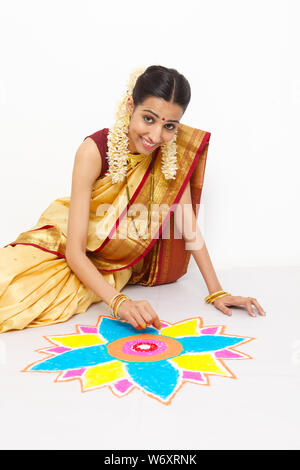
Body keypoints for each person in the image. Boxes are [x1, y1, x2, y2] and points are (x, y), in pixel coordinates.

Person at [0, 65, 266, 334]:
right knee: (9, 280)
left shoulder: (169, 157)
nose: (155, 136)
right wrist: (119, 303)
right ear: (130, 106)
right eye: (149, 119)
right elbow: (74, 252)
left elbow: (188, 225)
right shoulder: (93, 151)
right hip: (66, 241)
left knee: (46, 301)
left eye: (169, 126)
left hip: (116, 260)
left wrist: (217, 292)